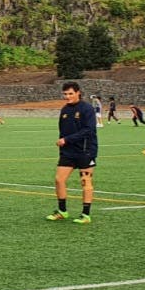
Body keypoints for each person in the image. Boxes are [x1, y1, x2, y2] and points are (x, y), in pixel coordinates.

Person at [47, 81, 97, 225]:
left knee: (85, 181)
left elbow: (89, 130)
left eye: (70, 93)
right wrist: (63, 144)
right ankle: (62, 211)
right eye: (65, 94)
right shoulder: (65, 109)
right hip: (68, 152)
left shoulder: (87, 109)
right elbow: (62, 130)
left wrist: (66, 140)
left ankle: (86, 214)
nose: (67, 96)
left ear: (78, 93)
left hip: (85, 151)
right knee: (59, 180)